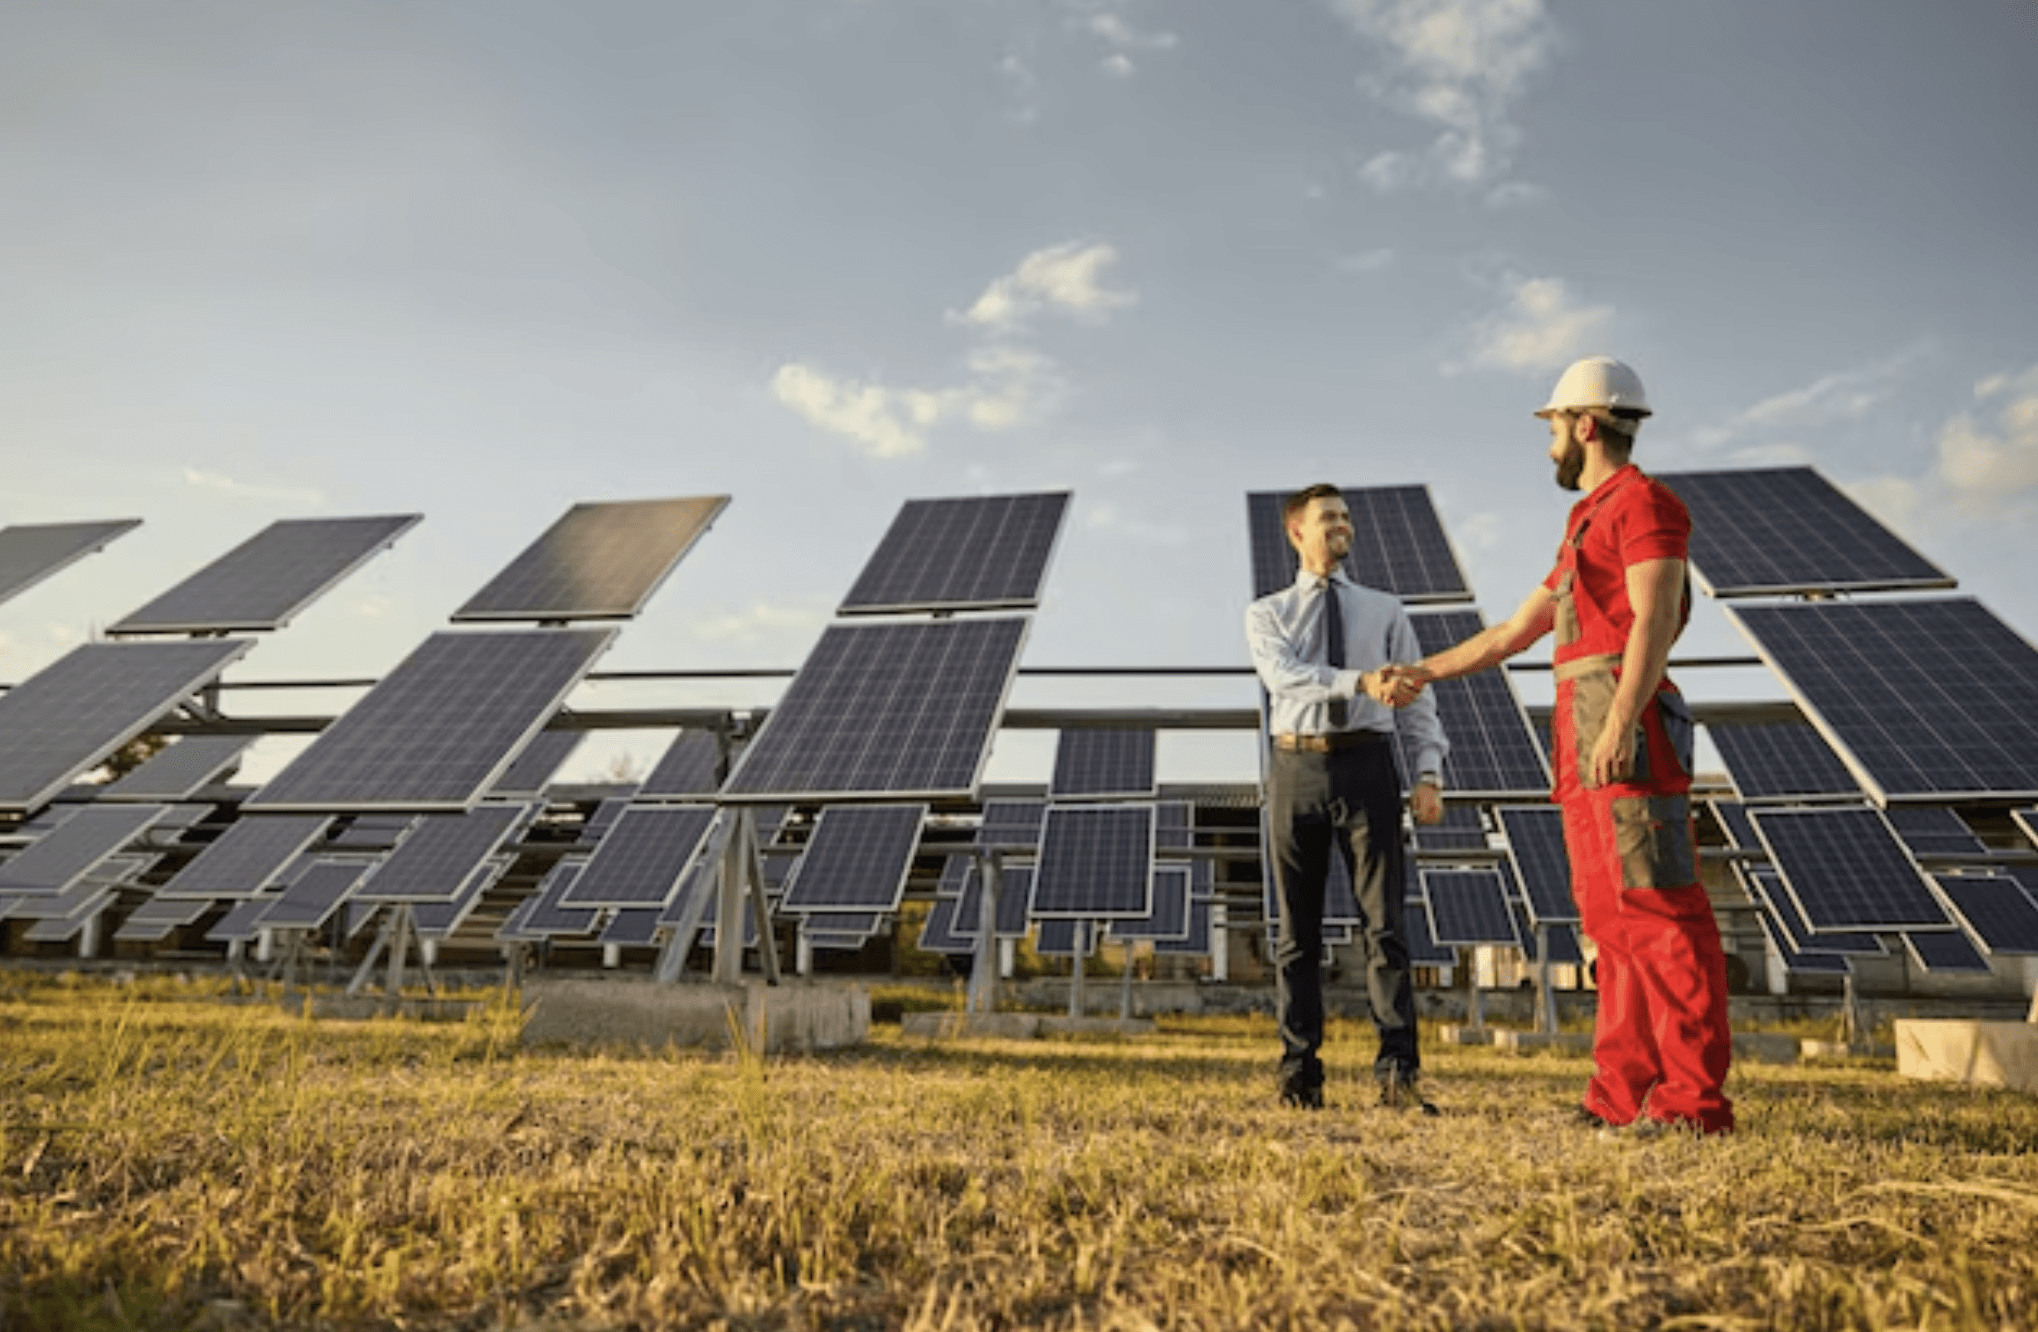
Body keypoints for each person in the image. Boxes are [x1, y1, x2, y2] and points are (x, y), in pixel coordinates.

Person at [1387, 357, 1734, 1135]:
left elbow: (1654, 619)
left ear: (1585, 425)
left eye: (1552, 428)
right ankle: (1619, 1097)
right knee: (1610, 921)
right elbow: (1515, 631)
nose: (1548, 445)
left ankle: (1692, 1105)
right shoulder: (1585, 520)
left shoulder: (1646, 504)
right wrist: (1422, 672)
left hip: (1624, 718)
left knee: (1661, 916)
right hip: (1583, 721)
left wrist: (1618, 725)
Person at [1245, 484, 1448, 1114]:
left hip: (1369, 766)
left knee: (1385, 928)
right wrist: (1357, 679)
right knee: (1295, 936)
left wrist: (1428, 771)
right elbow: (1283, 678)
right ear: (1296, 532)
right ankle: (1299, 1075)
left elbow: (1416, 694)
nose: (1341, 525)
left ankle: (1397, 1075)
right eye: (1327, 517)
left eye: (1345, 517)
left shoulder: (1385, 610)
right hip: (1294, 766)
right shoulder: (1267, 613)